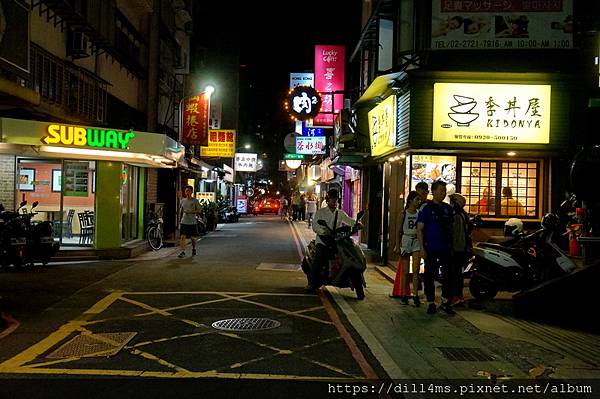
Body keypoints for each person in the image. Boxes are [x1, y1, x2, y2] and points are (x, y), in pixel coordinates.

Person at [309, 189, 358, 295]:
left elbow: (349, 220)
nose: (335, 202)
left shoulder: (340, 213)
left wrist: (358, 224)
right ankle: (312, 283)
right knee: (318, 259)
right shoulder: (321, 212)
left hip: (336, 241)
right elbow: (315, 226)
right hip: (323, 241)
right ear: (328, 200)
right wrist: (323, 231)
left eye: (336, 200)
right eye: (332, 200)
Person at [417, 181, 455, 315]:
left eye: (444, 191)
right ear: (433, 191)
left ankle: (446, 301)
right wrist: (421, 248)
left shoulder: (448, 208)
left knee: (448, 275)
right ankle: (431, 302)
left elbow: (451, 229)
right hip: (430, 247)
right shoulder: (425, 208)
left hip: (445, 247)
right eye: (440, 190)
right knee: (429, 275)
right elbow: (420, 229)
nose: (443, 193)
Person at [392, 191, 422, 306]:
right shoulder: (404, 213)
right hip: (406, 240)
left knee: (415, 270)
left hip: (416, 241)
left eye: (419, 200)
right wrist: (397, 244)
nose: (418, 202)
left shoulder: (419, 213)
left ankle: (415, 294)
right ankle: (404, 294)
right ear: (410, 201)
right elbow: (399, 230)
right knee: (405, 271)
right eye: (417, 199)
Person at [448, 193, 473, 307]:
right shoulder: (463, 215)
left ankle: (455, 296)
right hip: (463, 248)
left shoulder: (456, 216)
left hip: (457, 249)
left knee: (455, 274)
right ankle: (458, 296)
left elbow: (456, 235)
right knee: (458, 273)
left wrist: (451, 248)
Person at [178, 185, 201, 258]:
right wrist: (179, 219)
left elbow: (199, 210)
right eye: (186, 191)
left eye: (188, 191)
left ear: (191, 192)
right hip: (184, 221)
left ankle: (193, 248)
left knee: (192, 238)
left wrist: (191, 211)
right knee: (182, 237)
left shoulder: (195, 201)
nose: (187, 192)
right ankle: (183, 251)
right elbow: (181, 210)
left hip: (192, 222)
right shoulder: (182, 200)